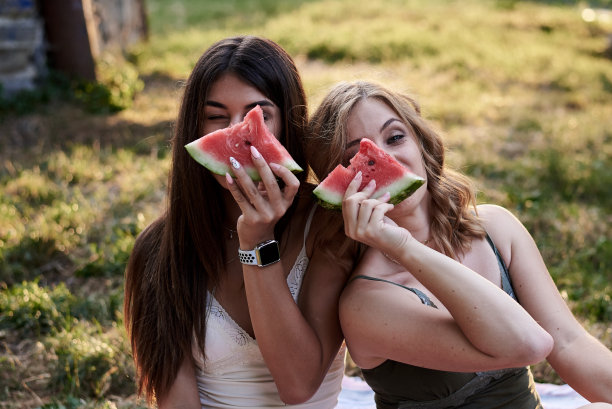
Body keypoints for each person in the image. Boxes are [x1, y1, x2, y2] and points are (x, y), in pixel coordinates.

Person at [306, 80, 612, 408]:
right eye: (358, 159)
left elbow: (567, 343)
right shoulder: (364, 302)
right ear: (342, 192)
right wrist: (401, 245)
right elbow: (529, 343)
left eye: (395, 137)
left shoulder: (495, 228)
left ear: (421, 142)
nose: (385, 158)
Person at [123, 36, 355, 409]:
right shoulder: (158, 249)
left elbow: (298, 385)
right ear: (194, 131)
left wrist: (258, 243)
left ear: (287, 122)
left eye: (259, 117)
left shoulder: (329, 223)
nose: (238, 135)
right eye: (216, 117)